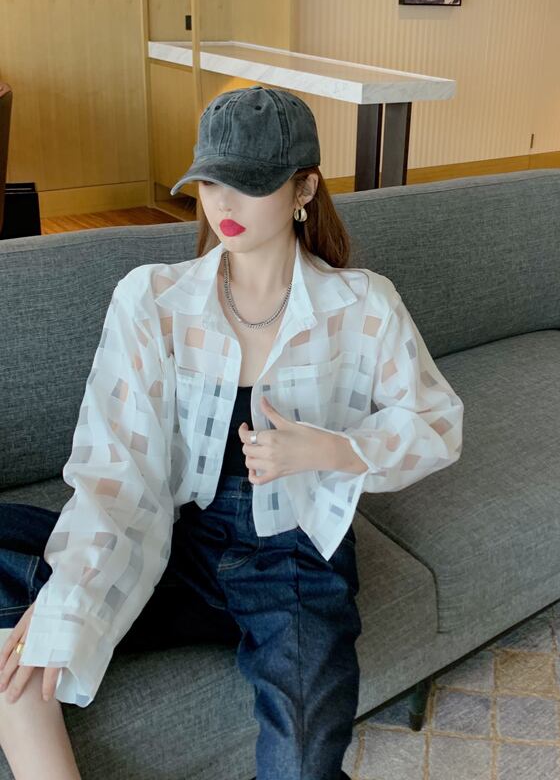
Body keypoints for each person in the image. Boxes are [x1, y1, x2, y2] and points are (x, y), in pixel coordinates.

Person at [0, 84, 464, 779]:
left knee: (302, 757)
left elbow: (437, 421)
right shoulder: (152, 299)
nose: (223, 204)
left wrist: (333, 449)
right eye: (211, 181)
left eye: (250, 184)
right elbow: (117, 472)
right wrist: (71, 591)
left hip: (296, 561)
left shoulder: (363, 303)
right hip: (176, 545)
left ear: (304, 188)